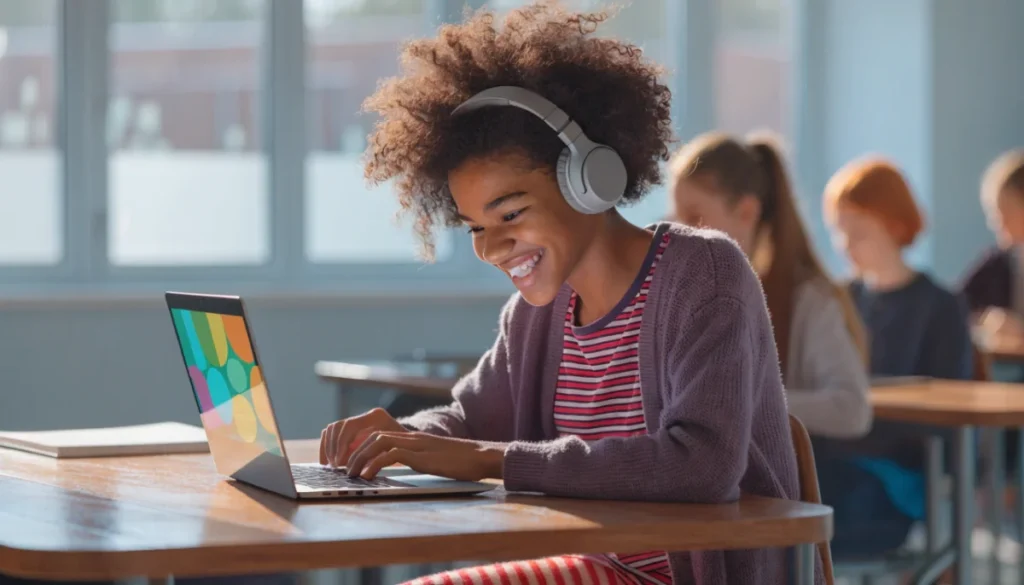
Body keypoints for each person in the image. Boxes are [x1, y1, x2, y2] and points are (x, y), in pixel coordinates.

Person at [318, 3, 817, 584]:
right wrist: (403, 438)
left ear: (590, 179)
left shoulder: (703, 275)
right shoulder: (536, 316)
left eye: (511, 213)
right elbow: (470, 419)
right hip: (597, 568)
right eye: (476, 226)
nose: (491, 247)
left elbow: (702, 464)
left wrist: (493, 461)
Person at [667, 131, 872, 440]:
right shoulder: (689, 299)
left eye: (694, 217)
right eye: (676, 218)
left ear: (747, 212)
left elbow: (852, 408)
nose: (680, 232)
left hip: (796, 480)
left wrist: (741, 401)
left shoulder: (809, 299)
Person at [821, 157, 973, 558]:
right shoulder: (839, 300)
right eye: (840, 231)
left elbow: (949, 411)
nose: (846, 245)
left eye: (859, 232)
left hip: (894, 476)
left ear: (895, 226)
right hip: (835, 457)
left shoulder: (940, 306)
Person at [961, 149, 1024, 338]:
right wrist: (985, 320)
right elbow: (953, 310)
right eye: (995, 213)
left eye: (1007, 210)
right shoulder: (997, 263)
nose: (999, 222)